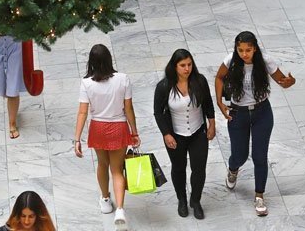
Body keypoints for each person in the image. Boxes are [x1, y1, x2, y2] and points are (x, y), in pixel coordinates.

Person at [215, 31, 295, 216]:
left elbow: (282, 81)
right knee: (240, 155)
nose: (244, 54)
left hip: (262, 113)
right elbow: (219, 78)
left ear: (255, 48)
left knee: (260, 156)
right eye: (241, 50)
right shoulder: (231, 61)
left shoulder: (265, 61)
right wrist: (219, 101)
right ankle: (233, 168)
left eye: (248, 50)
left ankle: (259, 195)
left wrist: (290, 81)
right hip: (238, 113)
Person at [74, 44, 139, 229]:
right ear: (109, 59)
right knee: (117, 170)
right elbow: (128, 109)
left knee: (103, 164)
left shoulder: (86, 83)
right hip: (118, 127)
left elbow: (82, 112)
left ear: (91, 63)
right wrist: (134, 132)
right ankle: (120, 209)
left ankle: (105, 200)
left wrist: (77, 139)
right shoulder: (123, 79)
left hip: (98, 128)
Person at [153, 49, 215, 220]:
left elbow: (208, 103)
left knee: (199, 168)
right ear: (174, 67)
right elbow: (158, 112)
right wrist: (166, 134)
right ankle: (182, 199)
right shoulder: (164, 87)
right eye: (182, 65)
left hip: (198, 132)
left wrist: (212, 124)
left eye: (189, 64)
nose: (187, 68)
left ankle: (196, 200)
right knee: (179, 168)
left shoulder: (200, 81)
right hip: (176, 135)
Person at [0, 36, 25, 139]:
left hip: (14, 42)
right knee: (1, 88)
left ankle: (12, 124)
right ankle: (12, 107)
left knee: (12, 88)